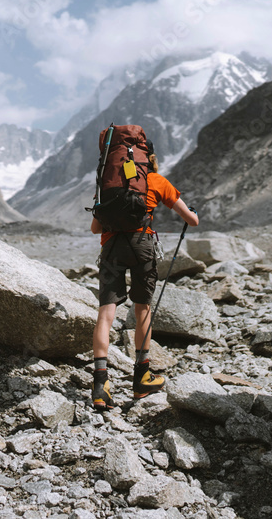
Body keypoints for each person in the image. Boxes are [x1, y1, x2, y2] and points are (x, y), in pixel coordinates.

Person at [89, 139, 199, 410]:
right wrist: (192, 212)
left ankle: (101, 385)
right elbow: (192, 220)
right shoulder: (157, 180)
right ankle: (142, 378)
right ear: (148, 157)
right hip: (142, 246)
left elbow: (94, 228)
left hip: (112, 248)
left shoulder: (107, 184)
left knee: (106, 313)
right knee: (142, 310)